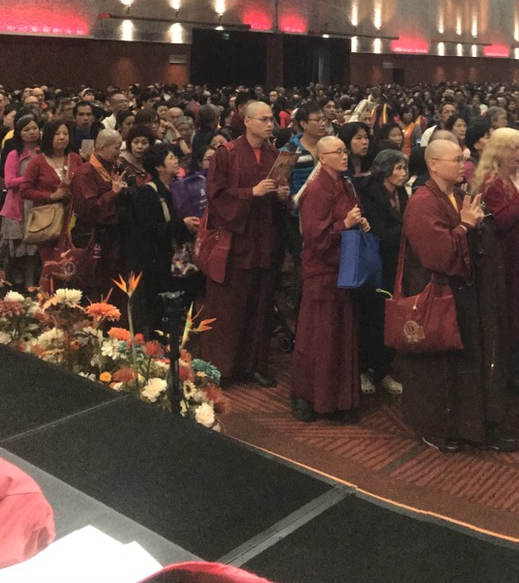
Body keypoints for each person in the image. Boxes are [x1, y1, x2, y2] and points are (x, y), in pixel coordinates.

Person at [398, 138, 517, 454]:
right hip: (438, 296)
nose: (463, 165)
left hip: (467, 294)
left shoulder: (458, 195)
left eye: (463, 159)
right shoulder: (422, 203)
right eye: (456, 160)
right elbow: (437, 254)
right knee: (441, 366)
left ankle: (474, 426)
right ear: (433, 165)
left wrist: (476, 225)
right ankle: (438, 429)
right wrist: (465, 226)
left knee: (470, 361)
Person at [203, 102, 288, 386]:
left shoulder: (274, 155)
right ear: (247, 122)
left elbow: (278, 203)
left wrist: (281, 196)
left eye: (271, 119)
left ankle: (255, 365)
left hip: (264, 241)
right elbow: (216, 196)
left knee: (260, 306)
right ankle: (222, 367)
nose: (270, 124)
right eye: (264, 119)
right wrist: (250, 193)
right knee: (229, 306)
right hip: (235, 241)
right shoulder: (226, 153)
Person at [291, 137, 366, 423]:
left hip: (344, 267)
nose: (344, 156)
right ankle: (309, 396)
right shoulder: (316, 190)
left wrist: (359, 222)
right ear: (322, 158)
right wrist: (345, 224)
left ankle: (340, 399)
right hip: (322, 271)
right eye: (338, 152)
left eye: (345, 151)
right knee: (318, 337)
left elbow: (353, 213)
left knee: (342, 335)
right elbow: (315, 237)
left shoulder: (345, 184)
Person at [117, 143, 196, 336]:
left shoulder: (178, 187)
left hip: (180, 259)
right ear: (159, 167)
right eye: (171, 158)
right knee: (159, 312)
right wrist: (181, 224)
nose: (176, 161)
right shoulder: (148, 193)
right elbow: (147, 230)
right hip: (158, 261)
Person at [474, 128, 519, 375]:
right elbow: (501, 220)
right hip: (505, 257)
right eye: (513, 148)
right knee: (509, 312)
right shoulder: (492, 182)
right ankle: (510, 371)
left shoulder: (518, 176)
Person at [355, 149, 407, 398]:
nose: (404, 173)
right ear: (385, 170)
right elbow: (377, 234)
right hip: (375, 265)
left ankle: (384, 370)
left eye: (405, 168)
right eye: (398, 168)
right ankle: (363, 369)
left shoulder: (401, 193)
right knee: (372, 319)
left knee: (390, 319)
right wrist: (407, 225)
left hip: (396, 264)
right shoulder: (370, 195)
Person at [68, 130, 129, 299]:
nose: (119, 152)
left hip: (114, 235)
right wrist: (113, 193)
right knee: (94, 283)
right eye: (116, 148)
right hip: (93, 235)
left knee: (113, 282)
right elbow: (88, 208)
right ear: (101, 147)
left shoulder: (116, 167)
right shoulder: (84, 172)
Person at [17, 120, 79, 285]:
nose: (62, 137)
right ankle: (48, 297)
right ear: (49, 136)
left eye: (65, 134)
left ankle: (69, 299)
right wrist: (51, 196)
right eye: (57, 134)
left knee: (70, 267)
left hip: (72, 221)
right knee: (51, 266)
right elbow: (25, 191)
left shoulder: (75, 158)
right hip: (48, 221)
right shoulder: (38, 161)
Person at [0, 115, 41, 286]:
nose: (32, 132)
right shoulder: (14, 154)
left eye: (34, 128)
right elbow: (9, 182)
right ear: (19, 133)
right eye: (26, 129)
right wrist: (30, 178)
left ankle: (30, 286)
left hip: (37, 206)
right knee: (14, 252)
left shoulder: (43, 153)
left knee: (33, 250)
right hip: (17, 207)